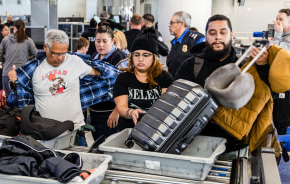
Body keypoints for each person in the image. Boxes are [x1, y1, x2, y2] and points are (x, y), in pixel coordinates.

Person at [174, 14, 281, 156]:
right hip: (197, 145)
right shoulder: (191, 65)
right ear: (206, 36)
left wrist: (262, 67)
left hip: (236, 147)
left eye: (223, 32)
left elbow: (266, 97)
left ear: (231, 35)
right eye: (212, 33)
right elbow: (177, 102)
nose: (218, 37)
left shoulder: (247, 65)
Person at [7, 29, 120, 129]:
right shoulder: (33, 69)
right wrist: (15, 81)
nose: (60, 58)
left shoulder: (74, 61)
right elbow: (20, 96)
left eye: (63, 53)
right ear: (46, 47)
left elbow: (103, 74)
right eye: (55, 53)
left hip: (74, 129)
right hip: (44, 130)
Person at [114, 29, 173, 130]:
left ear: (154, 57)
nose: (140, 59)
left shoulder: (165, 77)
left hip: (156, 130)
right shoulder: (123, 78)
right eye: (136, 55)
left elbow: (166, 106)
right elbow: (121, 107)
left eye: (146, 55)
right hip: (129, 130)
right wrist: (130, 112)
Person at [90, 25, 127, 140]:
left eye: (104, 41)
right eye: (98, 41)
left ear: (113, 41)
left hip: (110, 111)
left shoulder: (121, 58)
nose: (100, 45)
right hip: (95, 111)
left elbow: (126, 87)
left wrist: (117, 111)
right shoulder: (95, 56)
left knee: (109, 143)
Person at [0, 20, 37, 95]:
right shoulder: (29, 41)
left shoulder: (5, 40)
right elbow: (36, 55)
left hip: (7, 74)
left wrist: (6, 61)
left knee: (9, 100)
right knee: (22, 101)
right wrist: (28, 59)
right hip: (23, 75)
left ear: (13, 28)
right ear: (24, 29)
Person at [167, 11, 205, 77]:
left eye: (172, 23)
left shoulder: (196, 39)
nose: (169, 25)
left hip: (188, 84)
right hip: (173, 83)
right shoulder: (174, 42)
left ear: (181, 24)